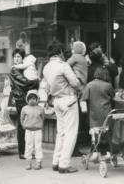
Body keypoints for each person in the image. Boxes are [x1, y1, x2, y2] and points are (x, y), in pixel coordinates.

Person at [43, 41, 81, 173]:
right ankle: (64, 164)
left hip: (57, 101)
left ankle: (56, 161)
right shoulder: (63, 65)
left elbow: (47, 86)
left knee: (61, 133)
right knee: (70, 133)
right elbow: (75, 82)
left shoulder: (46, 67)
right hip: (69, 100)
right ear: (59, 52)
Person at [10, 48, 39, 159]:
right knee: (23, 125)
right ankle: (22, 151)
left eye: (18, 56)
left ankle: (28, 150)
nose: (16, 59)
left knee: (28, 125)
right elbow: (24, 83)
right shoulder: (14, 70)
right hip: (21, 99)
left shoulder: (25, 68)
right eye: (15, 56)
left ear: (23, 58)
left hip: (27, 98)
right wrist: (36, 81)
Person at [81, 67, 115, 159]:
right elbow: (114, 96)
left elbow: (83, 100)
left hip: (94, 115)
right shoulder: (108, 85)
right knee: (107, 134)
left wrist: (84, 112)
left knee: (95, 135)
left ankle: (96, 152)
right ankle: (108, 152)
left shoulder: (89, 85)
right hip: (106, 114)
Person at [20, 90, 45, 170]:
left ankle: (38, 162)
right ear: (27, 99)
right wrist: (23, 125)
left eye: (34, 98)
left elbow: (43, 118)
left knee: (38, 146)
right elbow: (22, 118)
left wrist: (40, 125)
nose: (32, 100)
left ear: (37, 99)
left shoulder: (40, 108)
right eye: (30, 98)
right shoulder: (24, 108)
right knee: (28, 146)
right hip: (28, 130)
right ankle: (28, 162)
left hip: (37, 130)